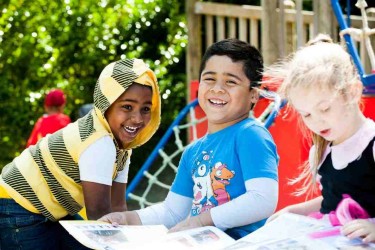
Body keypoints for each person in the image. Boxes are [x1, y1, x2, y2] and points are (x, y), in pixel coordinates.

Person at [99, 38, 279, 240]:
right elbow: (173, 212)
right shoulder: (193, 152)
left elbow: (262, 200)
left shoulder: (251, 134)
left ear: (253, 94)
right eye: (210, 79)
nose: (217, 88)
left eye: (231, 81)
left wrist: (201, 221)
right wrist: (128, 219)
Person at [0, 58, 161, 249]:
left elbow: (117, 208)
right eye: (127, 107)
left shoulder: (122, 148)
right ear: (105, 104)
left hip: (47, 209)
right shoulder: (99, 141)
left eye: (145, 109)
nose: (137, 118)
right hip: (18, 207)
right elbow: (99, 215)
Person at [264, 34, 375, 243]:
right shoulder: (321, 150)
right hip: (330, 237)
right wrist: (290, 211)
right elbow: (333, 200)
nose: (316, 122)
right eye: (306, 114)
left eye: (324, 108)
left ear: (353, 92)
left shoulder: (371, 144)